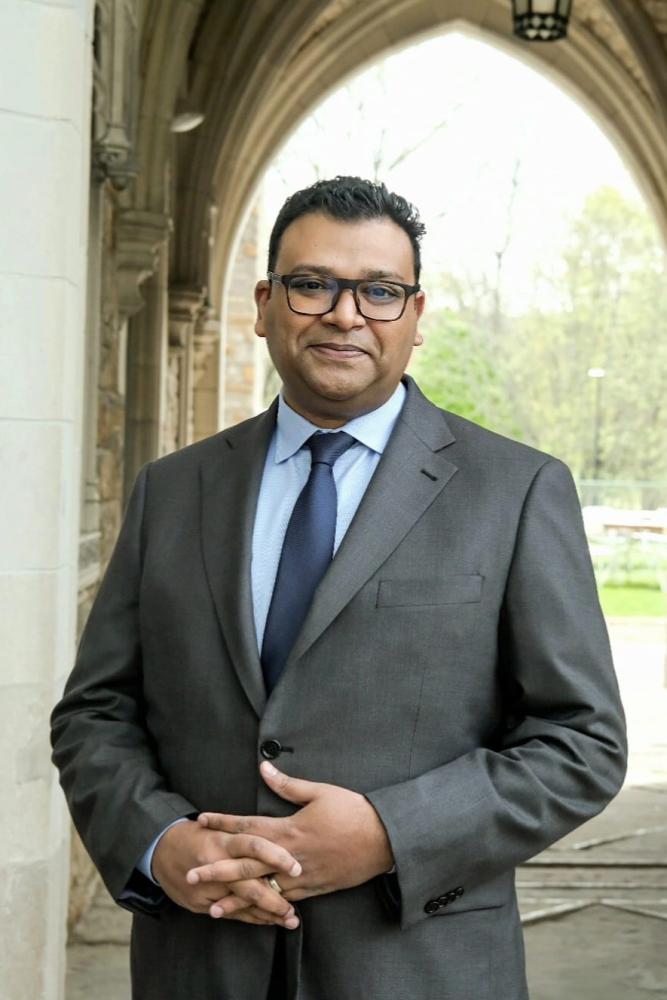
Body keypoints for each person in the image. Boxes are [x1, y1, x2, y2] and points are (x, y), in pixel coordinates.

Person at [51, 176, 627, 1000]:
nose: (345, 314)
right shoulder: (171, 491)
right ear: (264, 305)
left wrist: (390, 833)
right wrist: (160, 842)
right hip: (200, 961)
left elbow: (581, 742)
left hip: (416, 967)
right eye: (312, 284)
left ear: (415, 318)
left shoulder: (515, 490)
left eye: (379, 291)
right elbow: (95, 713)